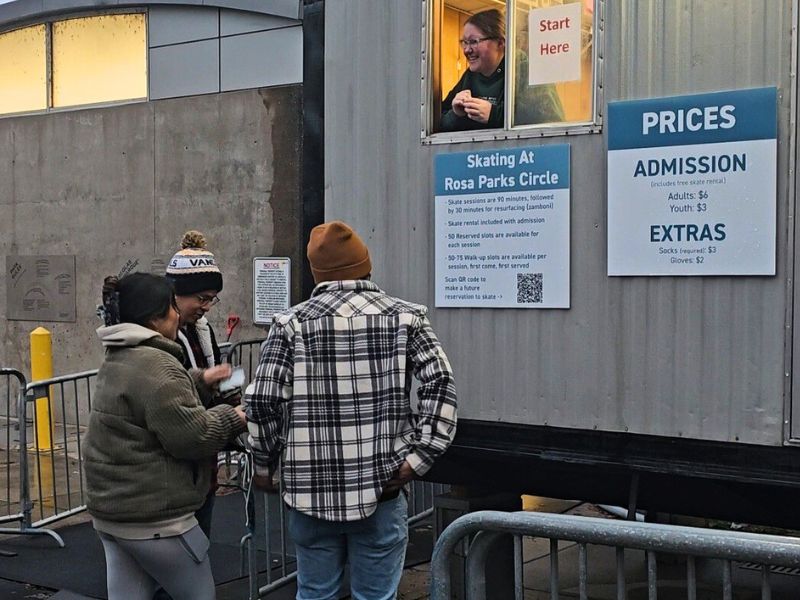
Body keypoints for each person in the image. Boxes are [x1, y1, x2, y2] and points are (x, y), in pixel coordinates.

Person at [244, 221, 458, 600]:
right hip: (383, 490)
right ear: (366, 266)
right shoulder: (406, 318)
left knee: (315, 593)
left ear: (316, 274)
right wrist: (418, 459)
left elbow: (262, 401)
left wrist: (264, 465)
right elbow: (439, 384)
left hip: (309, 495)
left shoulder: (290, 325)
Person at [84, 273, 247, 600]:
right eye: (172, 307)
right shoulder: (158, 363)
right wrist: (237, 416)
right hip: (157, 520)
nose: (178, 315)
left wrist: (201, 379)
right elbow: (194, 436)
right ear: (156, 316)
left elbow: (153, 397)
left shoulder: (121, 354)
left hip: (112, 514)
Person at [165, 229, 237, 539]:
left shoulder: (202, 331)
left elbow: (213, 373)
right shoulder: (162, 337)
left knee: (199, 539)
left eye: (212, 299)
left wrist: (233, 391)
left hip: (203, 457)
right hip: (178, 463)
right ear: (176, 294)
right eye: (202, 298)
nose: (207, 306)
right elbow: (169, 392)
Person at [440, 8, 564, 132]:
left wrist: (494, 115)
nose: (467, 50)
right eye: (464, 42)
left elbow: (550, 123)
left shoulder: (526, 69)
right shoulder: (471, 75)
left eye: (473, 42)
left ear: (500, 43)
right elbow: (436, 124)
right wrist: (456, 114)